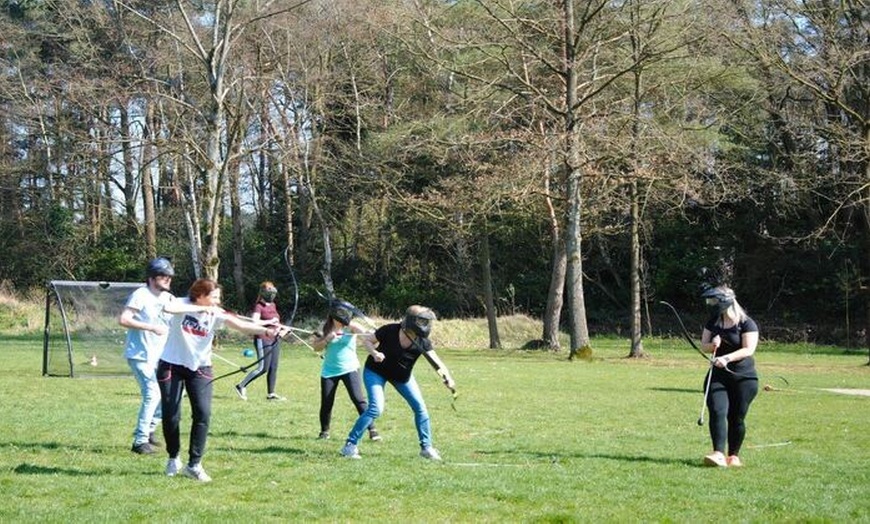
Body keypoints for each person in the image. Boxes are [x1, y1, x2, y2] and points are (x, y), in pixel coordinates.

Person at [158, 278, 287, 482]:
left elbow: (242, 326)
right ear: (200, 295)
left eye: (218, 298)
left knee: (203, 414)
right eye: (214, 298)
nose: (217, 302)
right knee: (171, 416)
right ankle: (173, 457)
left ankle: (194, 464)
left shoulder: (216, 313)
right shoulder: (182, 303)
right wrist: (198, 309)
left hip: (200, 368)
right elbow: (167, 307)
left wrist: (267, 331)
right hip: (171, 365)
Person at [340, 305, 455, 461]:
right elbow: (367, 340)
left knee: (421, 409)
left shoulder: (423, 341)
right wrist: (374, 353)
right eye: (422, 321)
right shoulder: (389, 330)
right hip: (376, 372)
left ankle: (426, 448)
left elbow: (437, 362)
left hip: (402, 377)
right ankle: (350, 445)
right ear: (412, 321)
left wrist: (447, 377)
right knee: (375, 408)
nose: (425, 325)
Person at [118, 257, 176, 455]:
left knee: (169, 395)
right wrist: (150, 327)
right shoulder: (140, 295)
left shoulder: (169, 298)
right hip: (140, 354)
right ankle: (139, 441)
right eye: (163, 275)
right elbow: (124, 319)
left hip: (161, 356)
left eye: (169, 276)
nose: (168, 279)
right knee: (153, 394)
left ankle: (150, 429)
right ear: (152, 277)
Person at [699, 285, 759, 468]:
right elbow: (704, 346)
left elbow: (748, 349)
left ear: (724, 302)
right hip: (717, 376)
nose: (710, 305)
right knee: (717, 411)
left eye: (713, 301)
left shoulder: (747, 323)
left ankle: (733, 455)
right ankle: (718, 453)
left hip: (744, 378)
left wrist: (726, 358)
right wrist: (713, 344)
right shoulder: (713, 322)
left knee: (736, 417)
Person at [312, 300, 380, 441]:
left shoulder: (352, 326)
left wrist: (373, 333)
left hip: (350, 368)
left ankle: (372, 430)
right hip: (329, 371)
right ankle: (324, 432)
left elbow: (370, 337)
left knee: (358, 399)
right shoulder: (324, 327)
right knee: (327, 402)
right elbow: (315, 347)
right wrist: (327, 339)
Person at [235, 281, 286, 401]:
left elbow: (276, 321)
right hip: (263, 339)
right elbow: (255, 322)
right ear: (263, 292)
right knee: (263, 368)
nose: (272, 292)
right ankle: (241, 386)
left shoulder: (273, 305)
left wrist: (282, 328)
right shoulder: (259, 306)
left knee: (273, 367)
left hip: (275, 339)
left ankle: (271, 394)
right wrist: (269, 322)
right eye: (269, 289)